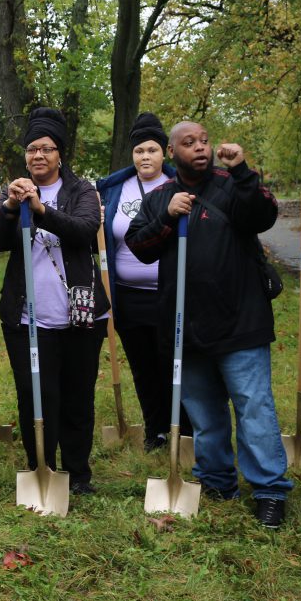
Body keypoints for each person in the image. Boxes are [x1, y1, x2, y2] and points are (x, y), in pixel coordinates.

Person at [126, 122, 292, 528]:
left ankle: (269, 490)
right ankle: (216, 480)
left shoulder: (231, 184)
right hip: (185, 325)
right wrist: (167, 217)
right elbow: (139, 247)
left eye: (204, 141)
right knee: (203, 411)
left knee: (254, 406)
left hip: (240, 320)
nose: (200, 148)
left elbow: (263, 215)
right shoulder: (160, 197)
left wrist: (243, 171)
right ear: (171, 151)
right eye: (189, 143)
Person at [0, 107, 109, 495]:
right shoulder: (13, 191)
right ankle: (41, 466)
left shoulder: (81, 191)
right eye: (32, 149)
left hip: (80, 316)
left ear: (60, 154)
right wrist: (11, 207)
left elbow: (84, 230)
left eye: (46, 148)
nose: (38, 155)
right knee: (35, 396)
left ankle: (77, 474)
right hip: (27, 318)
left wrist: (40, 210)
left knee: (77, 398)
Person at [96, 112, 187, 450]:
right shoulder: (113, 190)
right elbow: (101, 238)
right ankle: (155, 431)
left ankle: (184, 429)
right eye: (139, 151)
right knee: (142, 365)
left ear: (165, 152)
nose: (145, 157)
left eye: (151, 150)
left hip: (171, 292)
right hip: (127, 294)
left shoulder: (181, 185)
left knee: (172, 362)